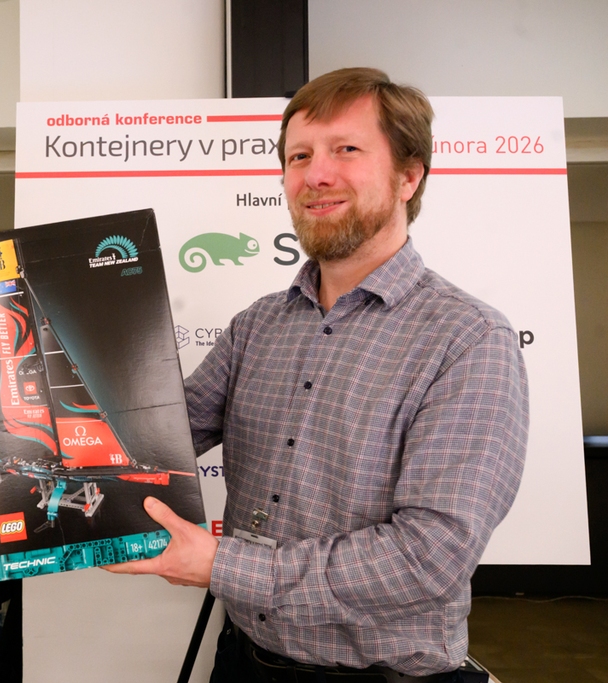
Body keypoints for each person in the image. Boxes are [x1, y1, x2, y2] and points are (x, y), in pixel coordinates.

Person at [105, 68, 528, 682]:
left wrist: (222, 565)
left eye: (346, 149)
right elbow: (153, 439)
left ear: (409, 176)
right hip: (244, 662)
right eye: (299, 156)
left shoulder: (467, 340)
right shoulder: (258, 326)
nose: (316, 175)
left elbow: (429, 558)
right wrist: (1, 481)